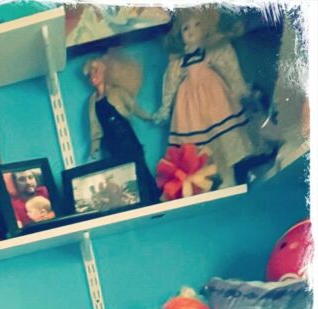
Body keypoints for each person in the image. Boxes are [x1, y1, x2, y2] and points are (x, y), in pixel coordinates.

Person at [145, 7, 255, 188]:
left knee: (223, 141)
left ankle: (229, 176)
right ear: (178, 35)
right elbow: (170, 85)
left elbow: (230, 68)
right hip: (190, 108)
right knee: (200, 148)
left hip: (215, 100)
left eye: (197, 25)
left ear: (205, 26)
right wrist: (165, 108)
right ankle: (212, 180)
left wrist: (240, 90)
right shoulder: (177, 62)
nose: (192, 31)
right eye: (185, 28)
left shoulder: (212, 51)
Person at [83, 52, 160, 204]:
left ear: (105, 71)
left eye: (96, 71)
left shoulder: (116, 92)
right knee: (122, 173)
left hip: (126, 137)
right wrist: (94, 148)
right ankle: (134, 202)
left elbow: (133, 106)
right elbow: (95, 126)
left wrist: (147, 117)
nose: (93, 76)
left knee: (140, 169)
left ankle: (153, 198)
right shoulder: (92, 101)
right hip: (111, 143)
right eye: (90, 74)